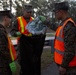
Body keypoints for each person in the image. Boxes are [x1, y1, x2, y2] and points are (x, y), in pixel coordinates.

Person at [10, 4, 46, 75]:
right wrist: (16, 33)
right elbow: (12, 32)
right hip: (22, 45)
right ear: (23, 11)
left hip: (33, 44)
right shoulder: (18, 20)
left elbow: (37, 31)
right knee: (23, 62)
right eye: (28, 12)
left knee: (33, 61)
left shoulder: (33, 20)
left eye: (30, 12)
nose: (29, 14)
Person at [0, 10, 17, 75]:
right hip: (3, 66)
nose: (10, 20)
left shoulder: (3, 30)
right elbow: (3, 50)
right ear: (5, 18)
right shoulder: (1, 31)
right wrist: (11, 62)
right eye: (10, 18)